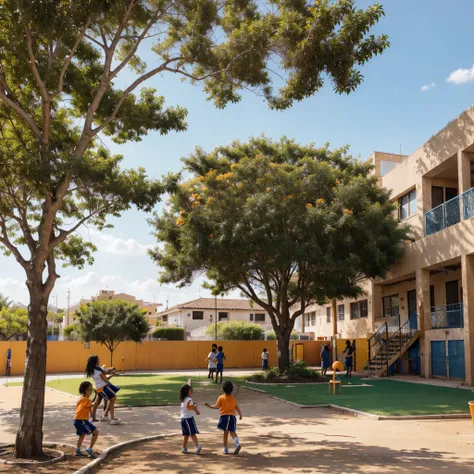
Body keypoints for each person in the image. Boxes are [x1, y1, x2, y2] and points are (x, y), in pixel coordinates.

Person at [205, 381, 242, 455]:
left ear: (222, 389)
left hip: (225, 417)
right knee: (232, 431)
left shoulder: (221, 397)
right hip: (232, 417)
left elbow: (217, 406)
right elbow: (236, 407)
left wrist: (209, 406)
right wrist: (240, 414)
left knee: (226, 433)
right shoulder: (233, 398)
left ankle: (225, 448)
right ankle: (237, 442)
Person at [85, 355, 120, 425]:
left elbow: (105, 371)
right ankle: (112, 419)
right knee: (113, 398)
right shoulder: (96, 371)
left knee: (108, 399)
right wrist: (112, 375)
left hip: (102, 387)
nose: (99, 360)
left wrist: (111, 371)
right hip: (102, 388)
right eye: (98, 359)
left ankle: (105, 415)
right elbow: (105, 379)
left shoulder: (97, 368)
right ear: (95, 362)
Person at [74, 381, 99, 458]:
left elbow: (87, 407)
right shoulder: (86, 400)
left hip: (77, 420)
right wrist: (97, 395)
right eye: (89, 389)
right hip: (81, 420)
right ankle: (89, 449)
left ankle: (78, 450)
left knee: (82, 434)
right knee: (95, 432)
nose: (91, 391)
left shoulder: (81, 398)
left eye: (91, 389)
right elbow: (93, 404)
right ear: (85, 390)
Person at [179, 384, 201, 454]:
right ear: (187, 392)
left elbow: (189, 406)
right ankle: (197, 446)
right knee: (192, 433)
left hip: (183, 419)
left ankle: (184, 448)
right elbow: (189, 407)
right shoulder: (189, 399)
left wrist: (194, 407)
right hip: (188, 419)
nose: (192, 393)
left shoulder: (183, 399)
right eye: (191, 391)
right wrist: (196, 409)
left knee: (186, 434)